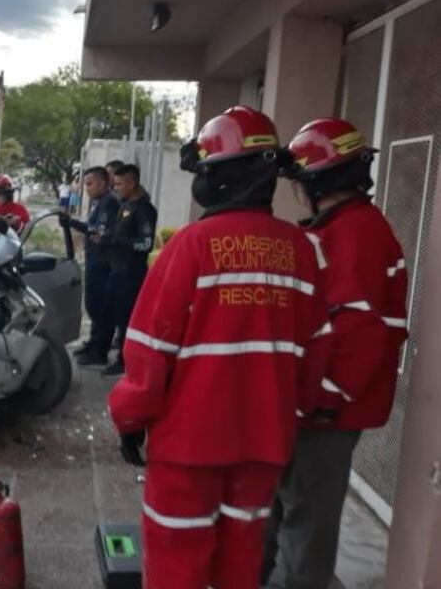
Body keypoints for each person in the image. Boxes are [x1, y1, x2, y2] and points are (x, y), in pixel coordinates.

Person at [107, 106, 331, 589]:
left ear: (221, 178)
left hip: (188, 446)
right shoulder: (304, 251)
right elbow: (315, 353)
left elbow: (148, 353)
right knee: (241, 560)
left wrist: (130, 421)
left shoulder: (191, 246)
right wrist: (297, 412)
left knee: (176, 563)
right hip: (264, 444)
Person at [261, 118, 408, 589]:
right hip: (317, 406)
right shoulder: (345, 228)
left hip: (327, 413)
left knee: (306, 526)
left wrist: (324, 397)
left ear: (316, 181)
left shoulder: (355, 233)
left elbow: (358, 327)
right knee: (285, 513)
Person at [97, 164, 158, 375]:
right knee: (110, 314)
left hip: (131, 273)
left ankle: (125, 360)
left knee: (126, 320)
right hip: (117, 270)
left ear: (132, 183)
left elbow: (145, 244)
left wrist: (117, 240)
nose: (117, 188)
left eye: (120, 184)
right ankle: (104, 352)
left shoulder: (144, 210)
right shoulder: (124, 205)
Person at [60, 167, 119, 364]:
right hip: (94, 259)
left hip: (103, 262)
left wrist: (73, 224)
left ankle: (100, 350)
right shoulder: (98, 202)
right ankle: (94, 343)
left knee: (101, 306)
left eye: (90, 183)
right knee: (93, 304)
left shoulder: (109, 202)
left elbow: (100, 231)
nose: (87, 188)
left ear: (102, 182)